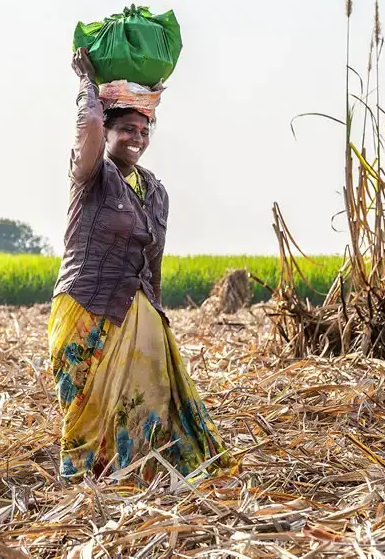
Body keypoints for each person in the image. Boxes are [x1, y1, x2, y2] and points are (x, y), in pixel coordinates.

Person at [48, 48, 229, 481]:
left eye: (144, 131)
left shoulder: (154, 189)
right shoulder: (90, 173)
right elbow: (89, 123)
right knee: (87, 412)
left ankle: (140, 481)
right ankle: (89, 491)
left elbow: (154, 263)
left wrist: (160, 317)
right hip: (87, 306)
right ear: (106, 133)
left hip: (140, 311)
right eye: (127, 129)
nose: (137, 138)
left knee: (150, 400)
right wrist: (87, 85)